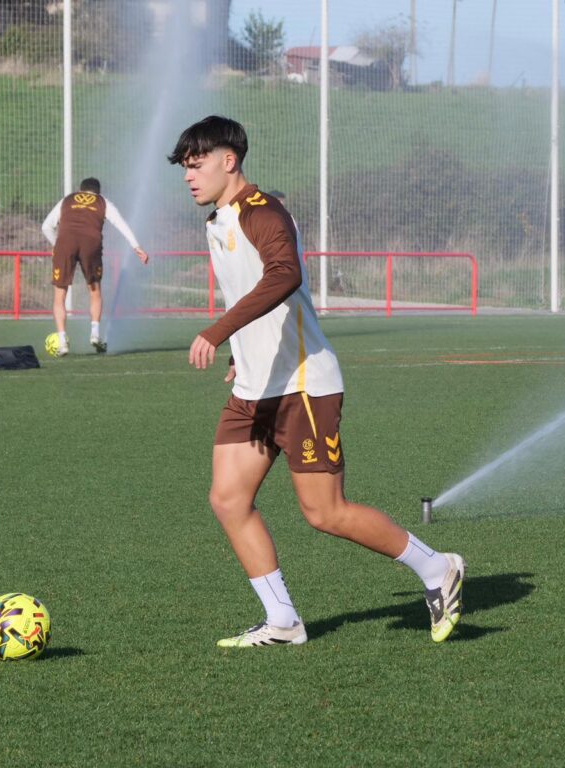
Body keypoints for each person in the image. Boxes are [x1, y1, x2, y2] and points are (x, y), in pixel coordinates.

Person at [168, 115, 465, 647]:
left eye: (197, 165)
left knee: (325, 512)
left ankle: (437, 567)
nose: (189, 176)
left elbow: (284, 275)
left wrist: (217, 332)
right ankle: (282, 621)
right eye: (185, 168)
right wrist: (241, 352)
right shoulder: (217, 220)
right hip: (254, 388)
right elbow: (248, 294)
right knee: (228, 500)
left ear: (228, 161)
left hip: (303, 385)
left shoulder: (264, 212)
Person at [41, 177, 149, 355]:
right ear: (97, 192)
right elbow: (120, 223)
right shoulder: (103, 202)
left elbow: (46, 226)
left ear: (80, 190)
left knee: (59, 296)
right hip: (91, 243)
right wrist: (136, 246)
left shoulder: (67, 199)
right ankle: (95, 334)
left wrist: (57, 246)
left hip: (65, 242)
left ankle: (62, 342)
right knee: (94, 290)